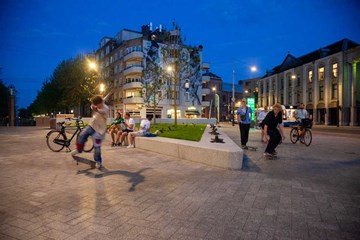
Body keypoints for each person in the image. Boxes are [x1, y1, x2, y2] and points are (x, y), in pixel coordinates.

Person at [72, 93, 112, 168]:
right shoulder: (99, 102)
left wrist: (97, 110)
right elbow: (102, 99)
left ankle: (98, 161)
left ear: (101, 103)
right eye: (95, 105)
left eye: (97, 105)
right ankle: (79, 149)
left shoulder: (106, 109)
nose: (96, 106)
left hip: (99, 131)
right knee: (81, 135)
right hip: (92, 125)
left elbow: (102, 111)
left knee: (97, 148)